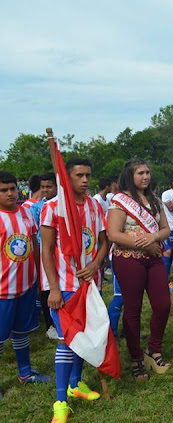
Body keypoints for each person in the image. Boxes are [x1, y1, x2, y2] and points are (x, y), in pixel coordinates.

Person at [41, 158, 108, 422]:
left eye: (88, 175)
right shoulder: (52, 207)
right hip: (65, 288)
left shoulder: (94, 205)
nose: (85, 180)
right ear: (66, 178)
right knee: (66, 340)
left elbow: (104, 242)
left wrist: (95, 263)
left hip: (91, 285)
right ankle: (60, 401)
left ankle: (76, 383)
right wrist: (53, 289)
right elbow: (46, 250)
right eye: (79, 175)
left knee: (85, 335)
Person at [107, 158, 171, 381]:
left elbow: (166, 229)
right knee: (133, 309)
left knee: (163, 304)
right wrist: (146, 244)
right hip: (128, 259)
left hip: (153, 259)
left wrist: (154, 237)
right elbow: (113, 234)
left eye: (147, 172)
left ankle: (154, 349)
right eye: (140, 173)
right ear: (130, 176)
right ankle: (135, 358)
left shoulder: (154, 199)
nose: (145, 176)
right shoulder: (120, 201)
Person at [0, 171, 51, 401]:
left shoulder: (26, 213)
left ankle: (25, 373)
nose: (10, 193)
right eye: (4, 190)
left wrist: (39, 276)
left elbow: (34, 245)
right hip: (3, 292)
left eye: (12, 188)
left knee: (22, 333)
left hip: (26, 287)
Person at [29, 173, 58, 340]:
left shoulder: (62, 206)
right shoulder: (36, 208)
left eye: (49, 186)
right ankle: (50, 325)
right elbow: (33, 232)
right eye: (43, 187)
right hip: (43, 252)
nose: (46, 190)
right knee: (46, 288)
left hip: (60, 253)